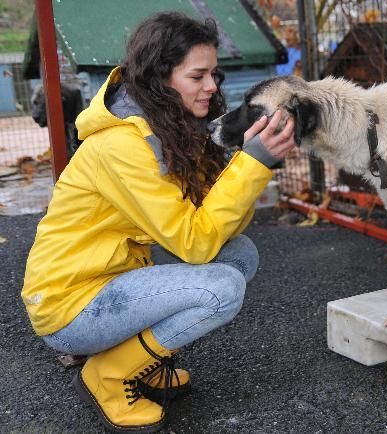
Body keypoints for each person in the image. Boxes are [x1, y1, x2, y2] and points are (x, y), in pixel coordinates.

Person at [21, 11, 296, 432]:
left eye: (214, 75)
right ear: (161, 77)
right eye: (198, 76)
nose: (212, 86)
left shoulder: (171, 128)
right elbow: (196, 243)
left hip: (117, 275)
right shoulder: (122, 145)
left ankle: (141, 358)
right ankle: (108, 374)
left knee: (240, 255)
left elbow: (216, 226)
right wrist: (253, 164)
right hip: (70, 305)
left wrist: (249, 162)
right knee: (222, 289)